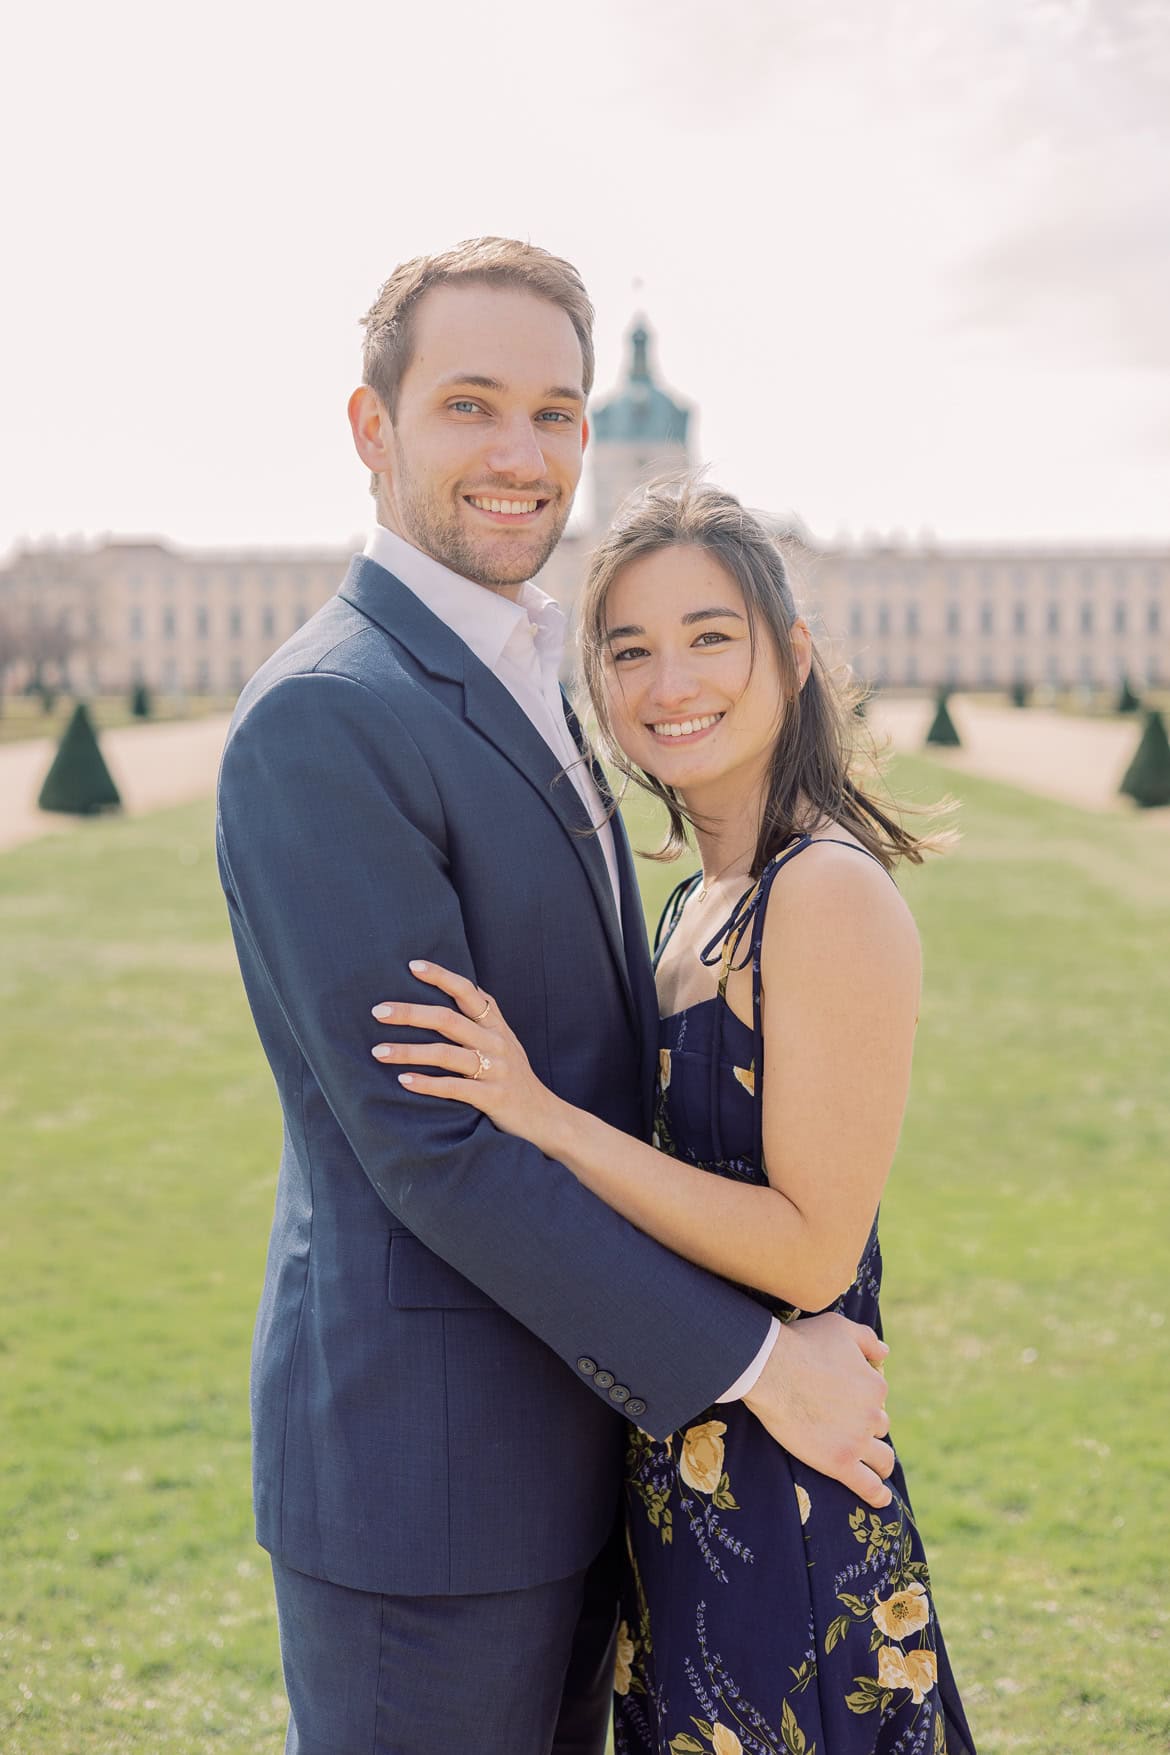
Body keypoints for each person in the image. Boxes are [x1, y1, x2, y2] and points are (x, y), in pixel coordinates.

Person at [216, 238, 895, 1755]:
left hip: (586, 1442)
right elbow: (436, 1144)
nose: (521, 454)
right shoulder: (330, 715)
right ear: (372, 426)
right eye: (469, 404)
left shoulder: (528, 668)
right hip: (431, 1491)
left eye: (555, 412)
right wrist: (754, 1363)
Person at [369, 480, 978, 1753]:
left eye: (710, 637)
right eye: (629, 649)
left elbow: (812, 1253)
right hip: (686, 1473)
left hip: (786, 1498)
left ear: (792, 657)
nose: (670, 683)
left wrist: (546, 1117)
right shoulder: (696, 901)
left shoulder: (825, 892)